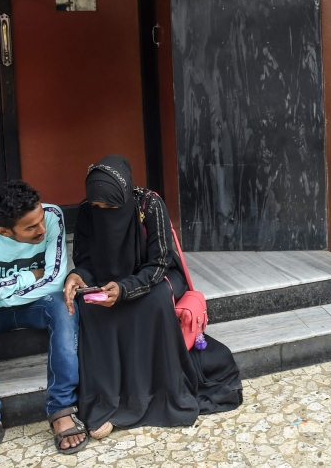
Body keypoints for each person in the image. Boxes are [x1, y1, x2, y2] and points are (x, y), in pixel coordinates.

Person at [64, 155, 242, 437]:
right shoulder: (87, 211)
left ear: (123, 196)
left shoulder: (149, 204)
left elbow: (160, 262)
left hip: (155, 277)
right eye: (98, 207)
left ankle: (153, 396)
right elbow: (84, 259)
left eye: (111, 206)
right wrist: (78, 276)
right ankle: (106, 401)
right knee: (91, 308)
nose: (103, 211)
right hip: (108, 281)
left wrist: (125, 289)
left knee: (152, 302)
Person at [0, 181, 87, 467]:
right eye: (30, 228)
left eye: (40, 220)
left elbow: (55, 280)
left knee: (64, 303)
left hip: (37, 306)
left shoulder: (52, 217)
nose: (42, 230)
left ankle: (61, 408)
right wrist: (29, 277)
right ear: (4, 231)